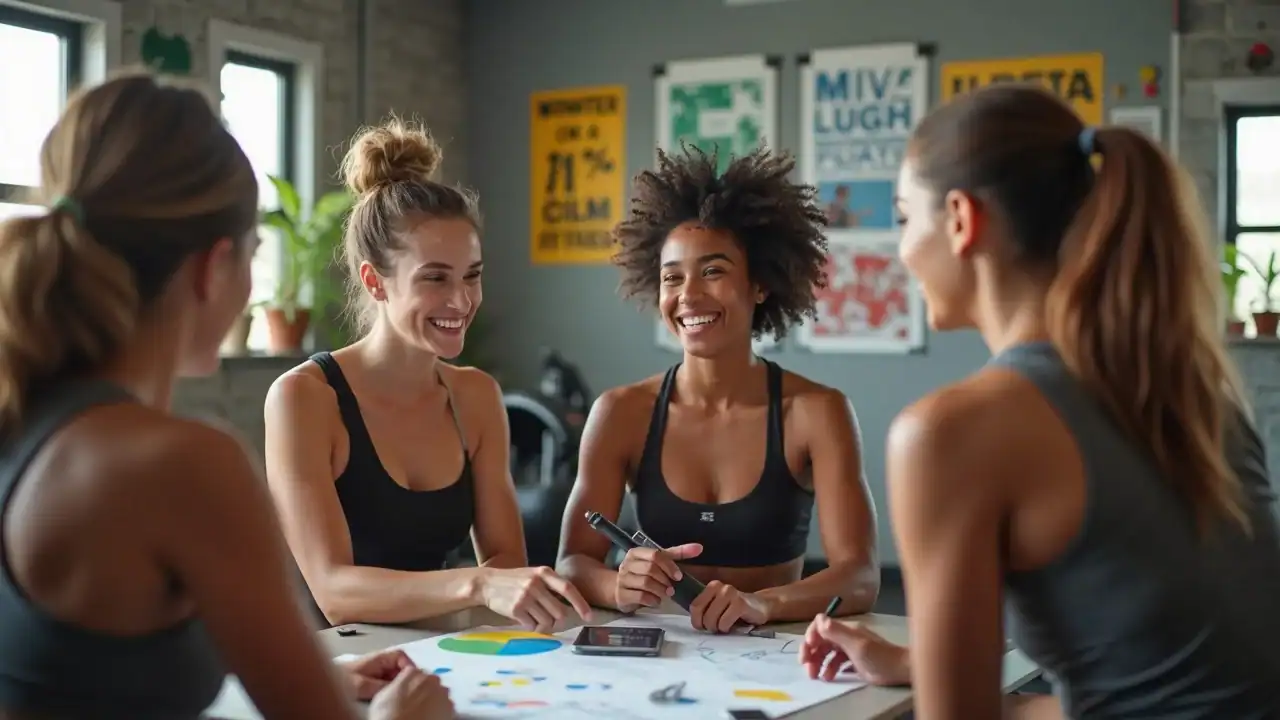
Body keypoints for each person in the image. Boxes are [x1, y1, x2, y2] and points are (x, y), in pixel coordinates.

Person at [799, 84, 1280, 719]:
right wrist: (928, 666)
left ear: (962, 220)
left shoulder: (950, 431)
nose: (903, 248)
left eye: (905, 217)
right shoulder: (1194, 396)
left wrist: (945, 687)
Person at [0, 71, 450, 719]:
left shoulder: (24, 420)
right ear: (214, 269)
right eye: (253, 253)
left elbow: (82, 675)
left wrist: (320, 672)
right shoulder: (181, 464)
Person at [264, 118, 591, 632]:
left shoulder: (475, 396)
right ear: (375, 281)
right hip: (338, 662)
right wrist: (476, 584)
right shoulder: (304, 398)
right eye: (434, 278)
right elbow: (334, 593)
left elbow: (506, 568)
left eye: (471, 276)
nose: (460, 301)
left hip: (442, 650)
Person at [557, 144, 881, 634]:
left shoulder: (817, 411)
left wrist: (761, 604)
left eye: (713, 271)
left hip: (768, 650)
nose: (688, 295)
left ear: (760, 284)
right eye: (672, 278)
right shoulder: (620, 412)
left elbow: (860, 576)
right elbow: (572, 562)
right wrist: (615, 586)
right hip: (655, 650)